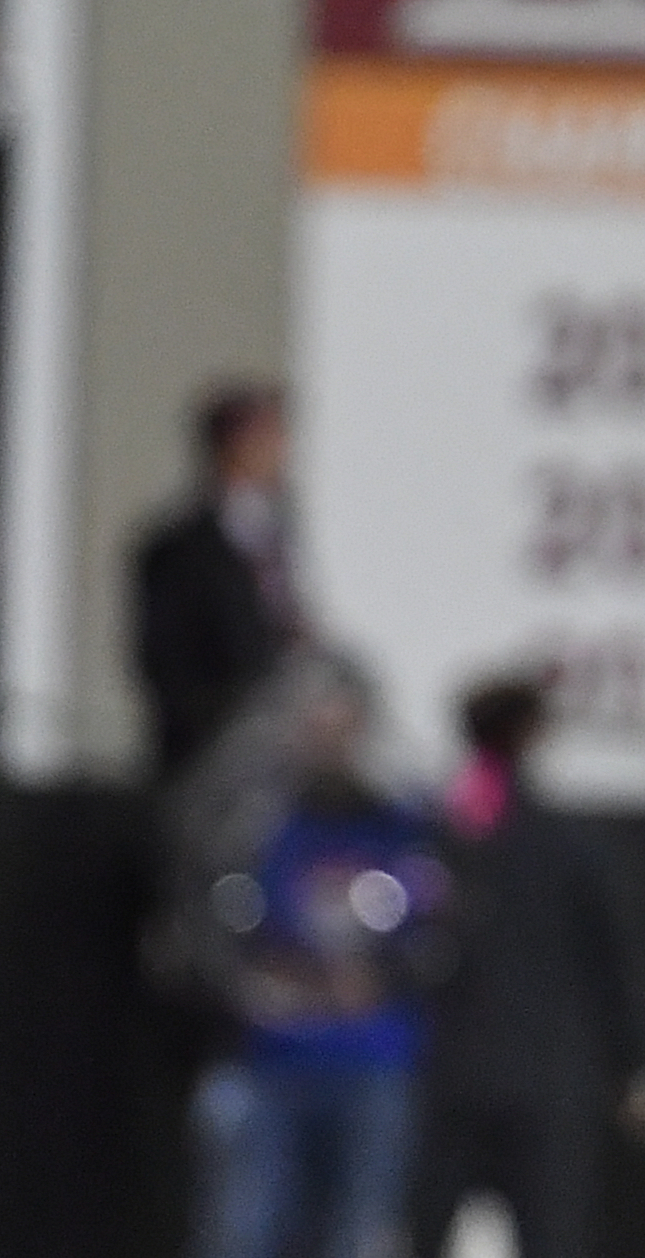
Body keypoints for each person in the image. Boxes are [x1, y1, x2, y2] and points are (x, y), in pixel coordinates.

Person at [408, 674, 645, 1258]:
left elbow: (612, 956)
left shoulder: (436, 835)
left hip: (461, 1073)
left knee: (437, 1230)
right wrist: (642, 1063)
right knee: (542, 1234)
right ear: (534, 735)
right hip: (534, 1078)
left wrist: (643, 1061)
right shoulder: (549, 841)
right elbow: (618, 959)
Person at [186, 672, 440, 1258]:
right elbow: (209, 926)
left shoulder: (404, 825)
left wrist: (384, 977)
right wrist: (254, 982)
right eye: (315, 729)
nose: (329, 744)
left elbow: (441, 932)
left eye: (343, 729)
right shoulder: (252, 826)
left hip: (372, 1060)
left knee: (359, 1232)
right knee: (243, 1229)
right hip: (268, 1062)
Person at [134, 382, 301, 781]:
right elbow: (167, 662)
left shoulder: (271, 534)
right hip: (207, 758)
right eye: (271, 439)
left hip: (271, 754)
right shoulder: (179, 549)